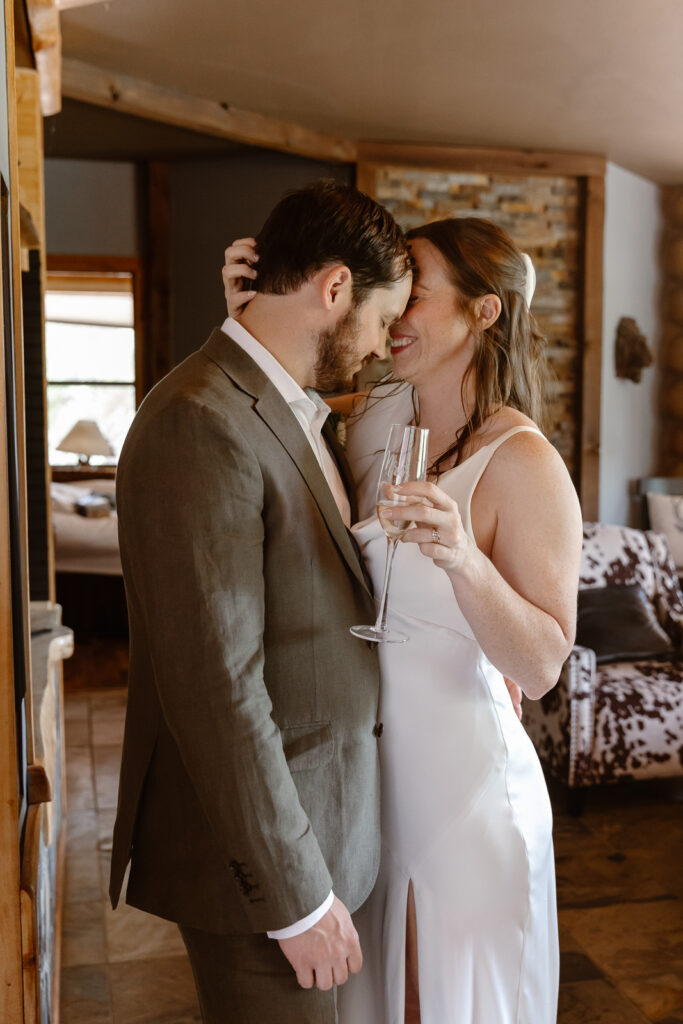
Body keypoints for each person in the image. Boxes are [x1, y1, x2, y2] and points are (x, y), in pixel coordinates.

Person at [224, 215, 582, 1023]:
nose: (394, 314)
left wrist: (461, 558)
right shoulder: (377, 414)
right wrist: (253, 307)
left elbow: (540, 665)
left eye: (414, 293)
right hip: (368, 790)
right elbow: (273, 403)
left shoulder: (522, 462)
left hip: (463, 792)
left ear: (482, 313)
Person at [109, 181, 413, 1024]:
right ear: (334, 288)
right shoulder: (197, 421)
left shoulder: (285, 404)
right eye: (384, 320)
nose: (383, 347)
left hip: (320, 826)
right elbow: (217, 688)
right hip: (264, 868)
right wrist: (296, 898)